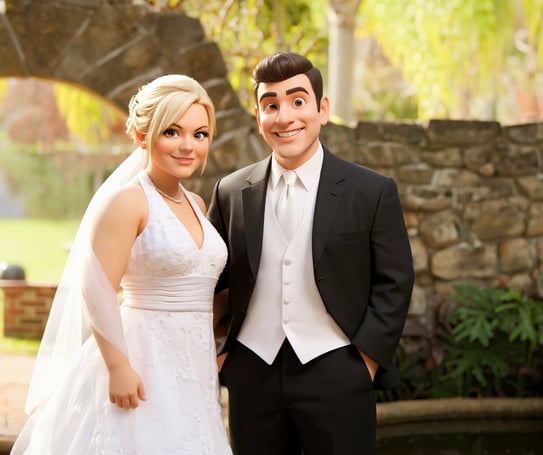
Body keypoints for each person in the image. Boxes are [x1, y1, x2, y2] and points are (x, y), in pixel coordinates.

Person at [12, 74, 233, 455]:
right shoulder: (127, 202)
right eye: (172, 132)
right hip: (141, 359)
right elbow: (96, 286)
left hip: (193, 365)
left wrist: (217, 343)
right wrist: (118, 366)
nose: (188, 145)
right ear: (142, 134)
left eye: (200, 134)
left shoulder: (197, 204)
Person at [207, 52, 415, 454]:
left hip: (339, 370)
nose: (284, 117)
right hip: (252, 373)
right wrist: (222, 353)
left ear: (322, 109)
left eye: (298, 101)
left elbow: (395, 280)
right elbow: (211, 279)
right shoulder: (230, 191)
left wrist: (365, 363)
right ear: (258, 116)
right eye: (271, 105)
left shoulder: (371, 191)